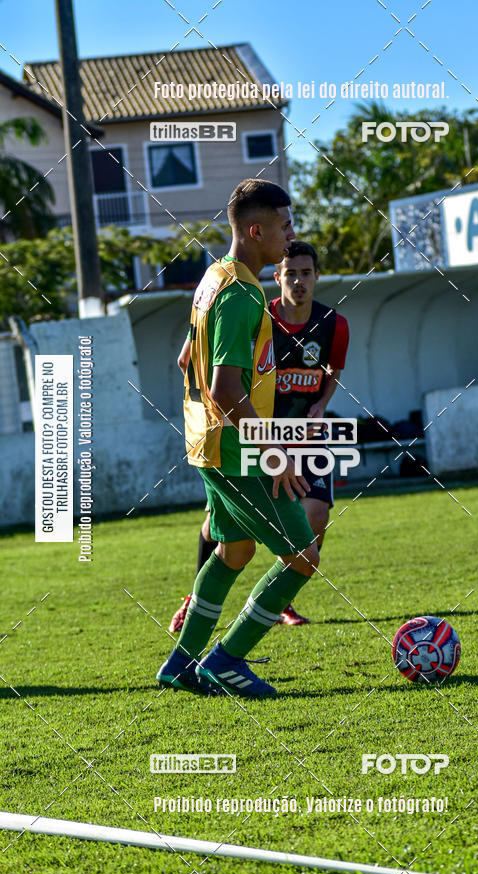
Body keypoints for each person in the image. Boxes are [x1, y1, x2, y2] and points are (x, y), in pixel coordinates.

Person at [156, 178, 319, 698]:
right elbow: (226, 389)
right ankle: (225, 659)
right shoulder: (245, 294)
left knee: (235, 550)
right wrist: (273, 454)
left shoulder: (213, 278)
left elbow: (186, 357)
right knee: (303, 556)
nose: (291, 234)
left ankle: (181, 664)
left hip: (207, 442)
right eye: (285, 225)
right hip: (236, 449)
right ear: (255, 230)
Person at [168, 240, 349, 632]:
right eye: (291, 273)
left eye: (306, 273)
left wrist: (322, 401)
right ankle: (196, 608)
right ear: (277, 275)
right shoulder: (254, 309)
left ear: (317, 276)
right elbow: (213, 374)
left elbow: (334, 369)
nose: (299, 281)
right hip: (255, 434)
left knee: (315, 515)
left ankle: (283, 599)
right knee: (224, 530)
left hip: (303, 433)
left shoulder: (334, 324)